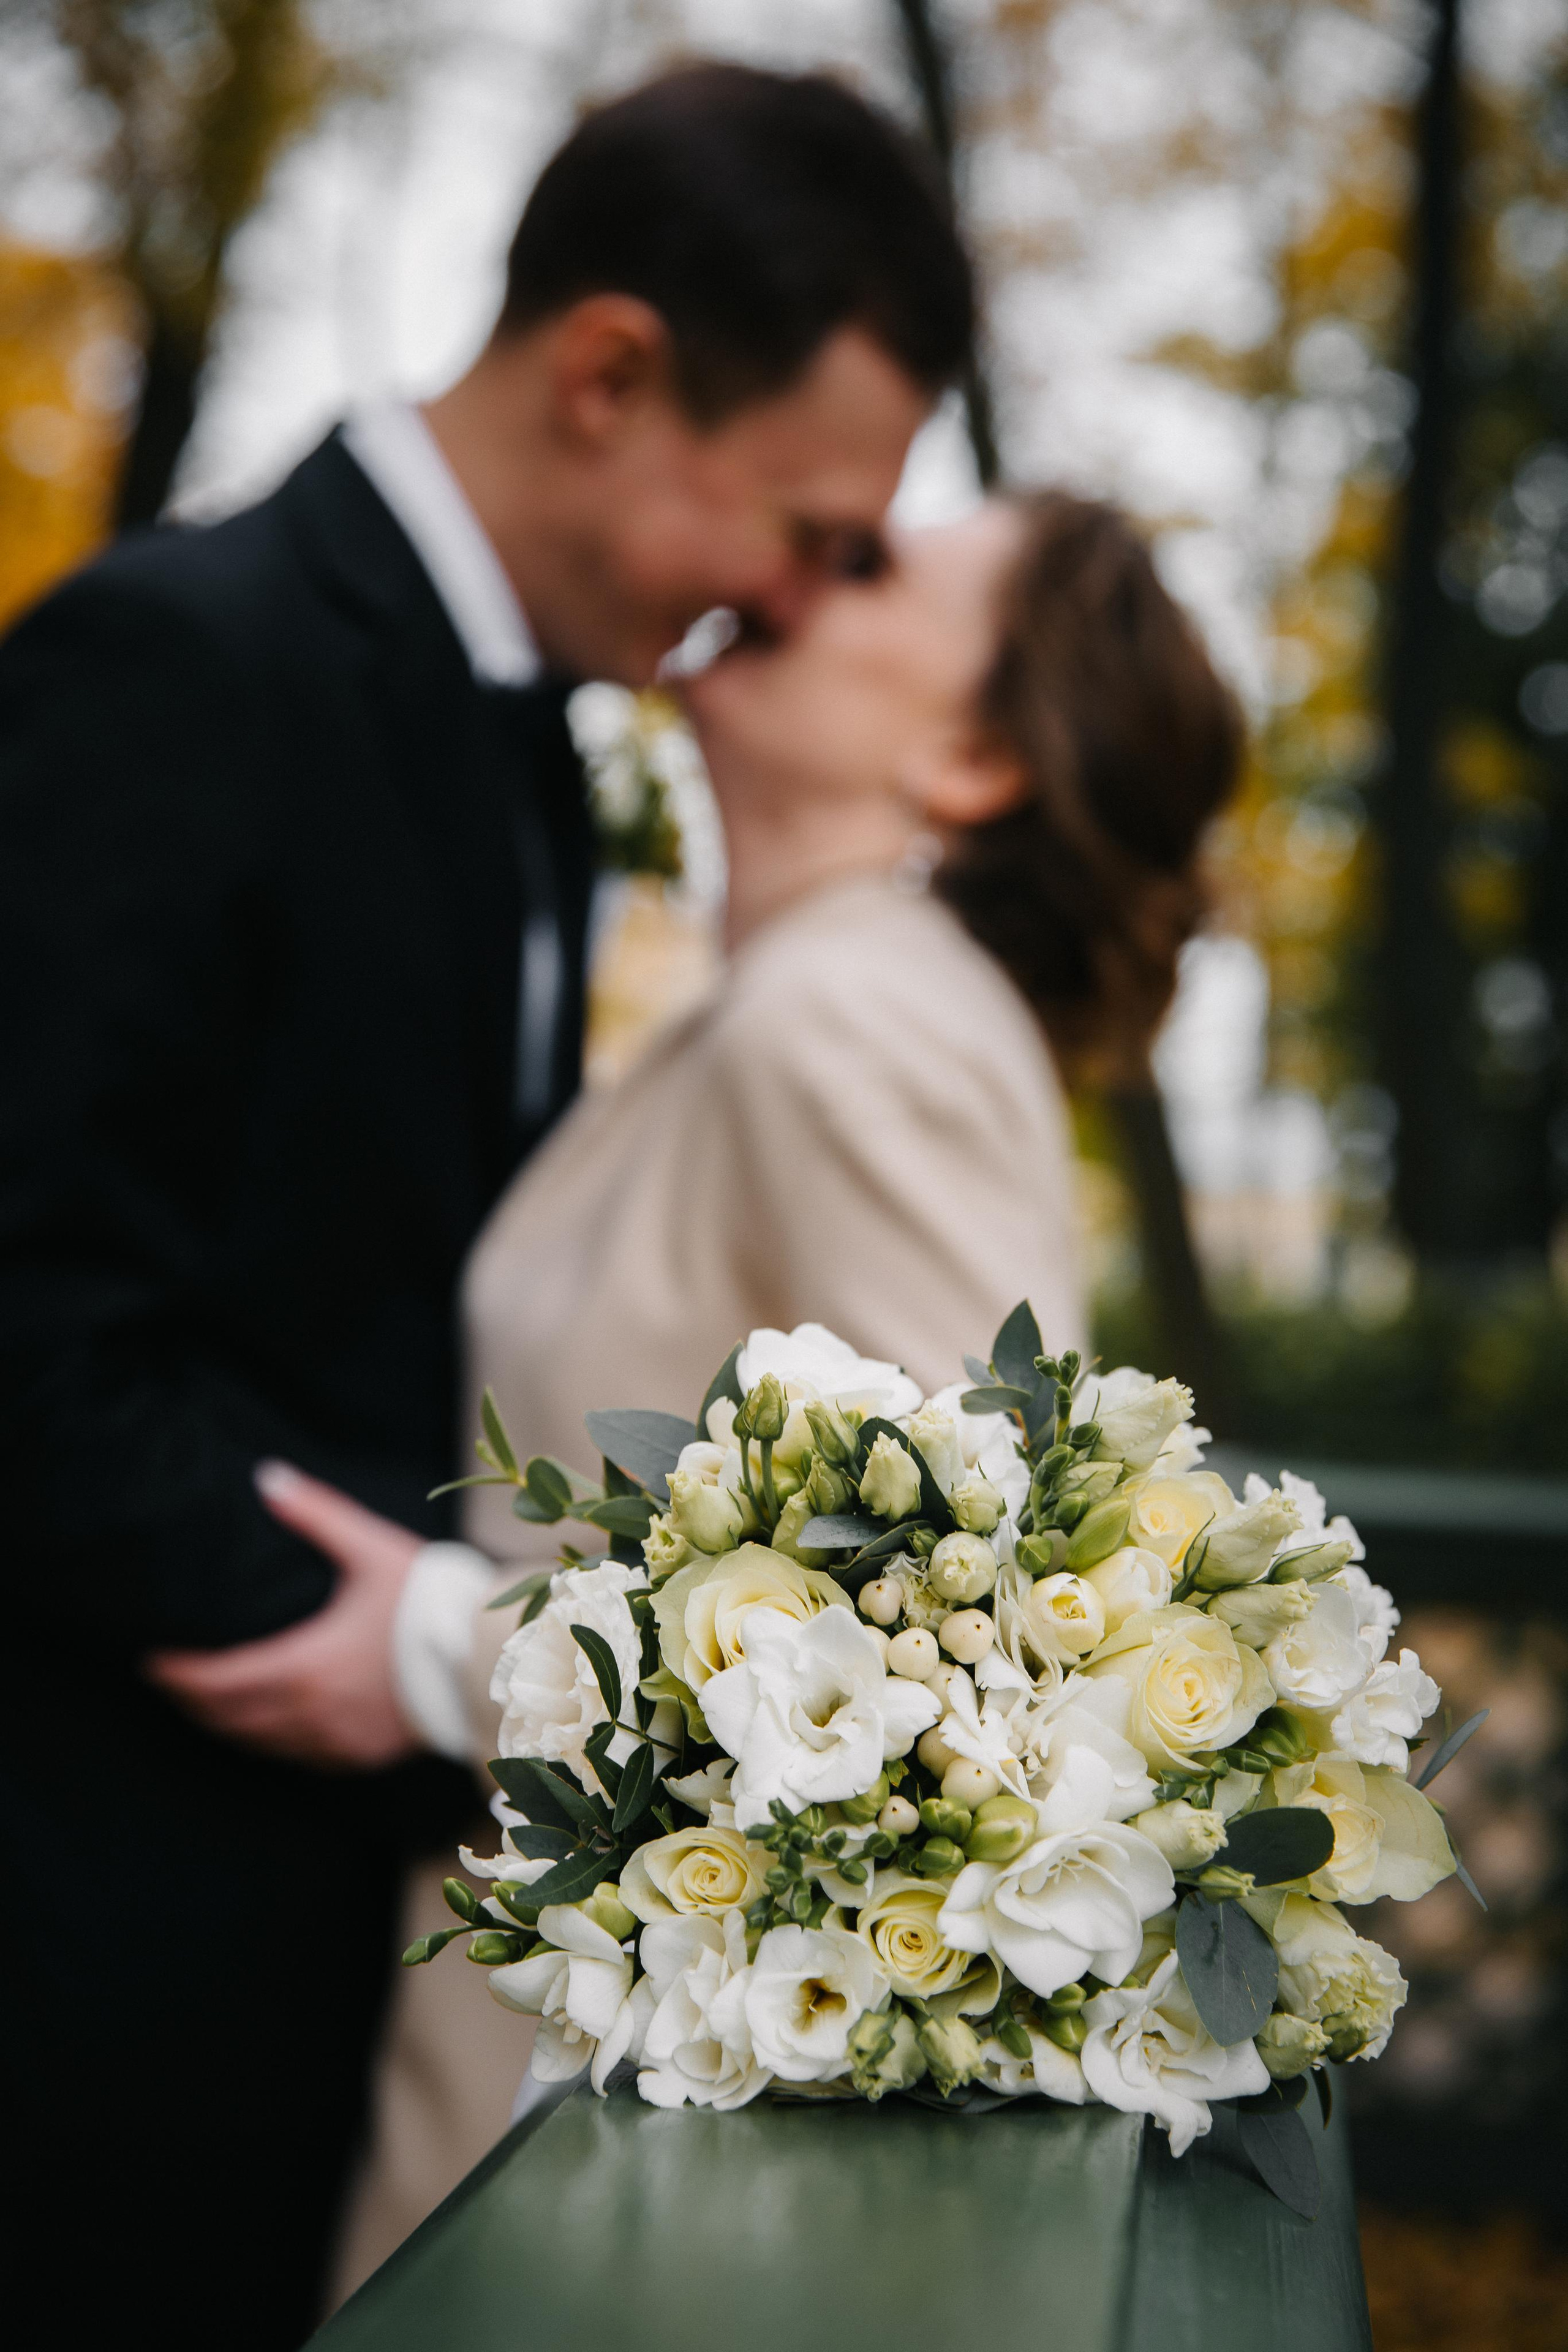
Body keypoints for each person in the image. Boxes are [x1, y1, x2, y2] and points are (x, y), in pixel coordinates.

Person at [0, 64, 972, 2350]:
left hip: (370, 1946)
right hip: (104, 1943)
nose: (797, 604)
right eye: (811, 527)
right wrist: (424, 1650)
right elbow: (28, 1313)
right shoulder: (179, 660)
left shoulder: (540, 746)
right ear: (613, 374)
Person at [167, 489, 1243, 2288]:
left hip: (620, 2132)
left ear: (974, 755)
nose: (791, 556)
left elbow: (975, 1653)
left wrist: (439, 1645)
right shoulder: (784, 1003)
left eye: (871, 563)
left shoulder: (859, 1022)